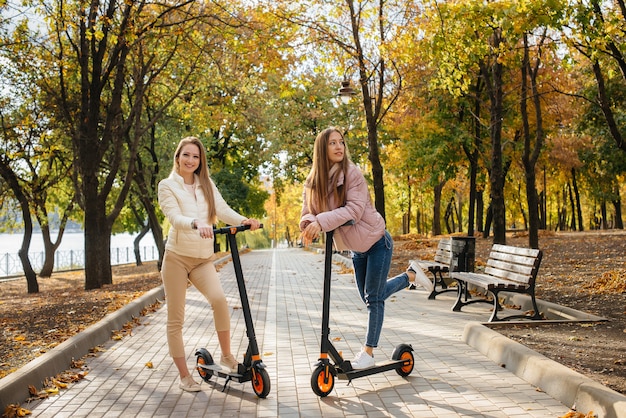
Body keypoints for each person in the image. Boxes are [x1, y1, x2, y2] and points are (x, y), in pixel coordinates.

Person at [299, 127, 420, 370]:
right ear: (322, 149)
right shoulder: (313, 181)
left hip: (377, 242)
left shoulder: (352, 174)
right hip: (357, 249)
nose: (338, 146)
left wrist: (320, 222)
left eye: (341, 142)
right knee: (370, 297)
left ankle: (368, 352)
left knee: (374, 299)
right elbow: (307, 211)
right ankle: (410, 276)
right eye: (332, 143)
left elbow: (353, 210)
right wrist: (308, 224)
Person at [158, 136, 261, 392]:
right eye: (186, 155)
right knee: (176, 320)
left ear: (200, 160)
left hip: (203, 259)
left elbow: (223, 209)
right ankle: (184, 376)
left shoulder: (206, 184)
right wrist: (196, 223)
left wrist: (244, 220)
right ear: (177, 157)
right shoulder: (167, 186)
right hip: (177, 259)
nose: (191, 160)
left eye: (195, 156)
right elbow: (174, 216)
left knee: (219, 301)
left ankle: (226, 356)